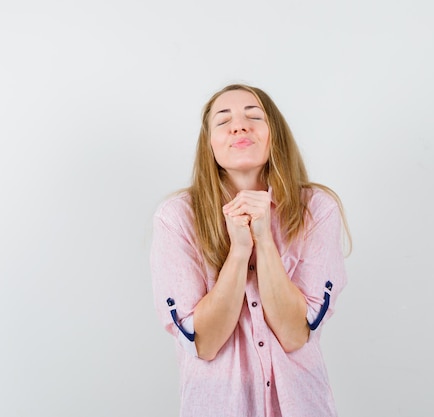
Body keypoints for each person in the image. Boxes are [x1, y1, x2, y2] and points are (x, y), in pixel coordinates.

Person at [150, 84, 350, 417]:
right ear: (209, 145)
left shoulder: (317, 209)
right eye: (223, 120)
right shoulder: (176, 218)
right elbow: (205, 342)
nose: (239, 126)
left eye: (253, 116)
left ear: (275, 135)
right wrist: (240, 251)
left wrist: (265, 239)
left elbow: (294, 334)